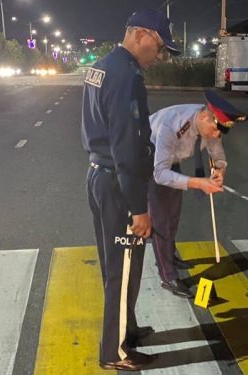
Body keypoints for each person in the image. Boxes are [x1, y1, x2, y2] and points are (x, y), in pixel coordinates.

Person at [81, 9, 179, 371]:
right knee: (122, 269)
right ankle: (116, 352)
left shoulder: (102, 65)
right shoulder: (125, 75)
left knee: (118, 264)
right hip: (119, 182)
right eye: (158, 45)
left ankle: (128, 328)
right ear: (140, 34)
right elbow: (125, 142)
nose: (160, 54)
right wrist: (138, 207)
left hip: (100, 175)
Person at [149, 91, 248, 297]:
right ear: (204, 116)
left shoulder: (210, 126)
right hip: (151, 160)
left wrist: (219, 170)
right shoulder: (171, 125)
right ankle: (168, 275)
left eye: (220, 132)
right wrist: (199, 183)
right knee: (161, 220)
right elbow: (160, 173)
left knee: (174, 213)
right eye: (215, 130)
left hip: (172, 162)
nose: (216, 136)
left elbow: (217, 153)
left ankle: (169, 253)